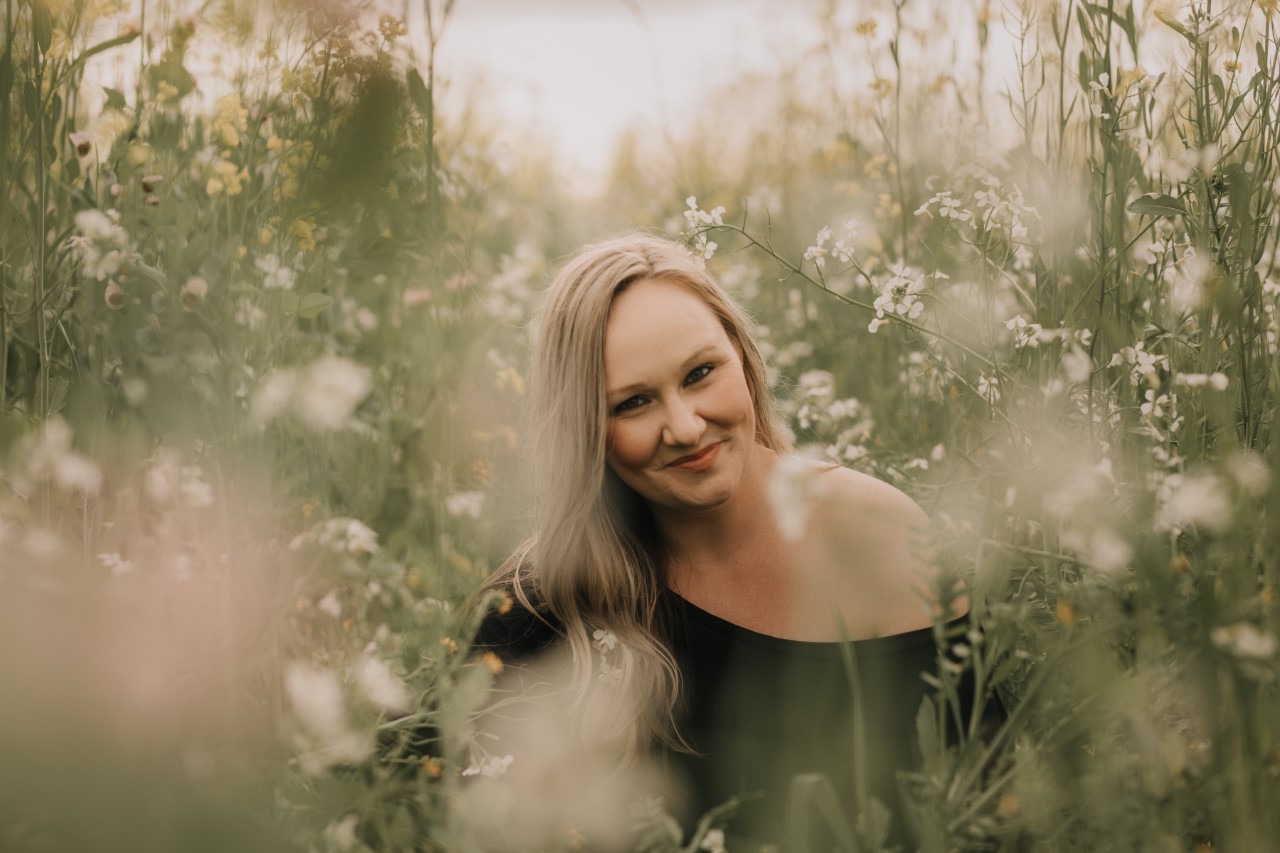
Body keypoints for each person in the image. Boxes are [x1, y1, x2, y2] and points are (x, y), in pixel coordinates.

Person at [465, 233, 993, 851]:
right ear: (585, 433)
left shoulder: (877, 536)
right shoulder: (545, 608)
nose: (686, 428)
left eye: (700, 373)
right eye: (633, 403)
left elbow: (981, 800)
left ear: (743, 358)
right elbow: (432, 813)